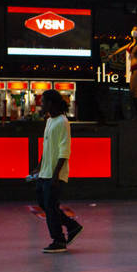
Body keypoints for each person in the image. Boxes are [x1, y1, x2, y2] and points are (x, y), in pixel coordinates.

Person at [35, 90, 83, 253]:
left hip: (55, 174)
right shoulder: (50, 121)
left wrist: (56, 175)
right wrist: (40, 166)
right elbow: (47, 146)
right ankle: (72, 226)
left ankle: (59, 240)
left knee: (50, 206)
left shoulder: (63, 122)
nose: (41, 104)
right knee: (46, 204)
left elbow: (64, 151)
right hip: (45, 173)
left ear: (51, 103)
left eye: (43, 102)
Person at [112, 26, 137, 118]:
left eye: (136, 30)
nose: (134, 31)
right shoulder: (130, 44)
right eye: (133, 29)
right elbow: (122, 48)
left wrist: (132, 53)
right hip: (133, 69)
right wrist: (113, 54)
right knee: (132, 91)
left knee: (136, 91)